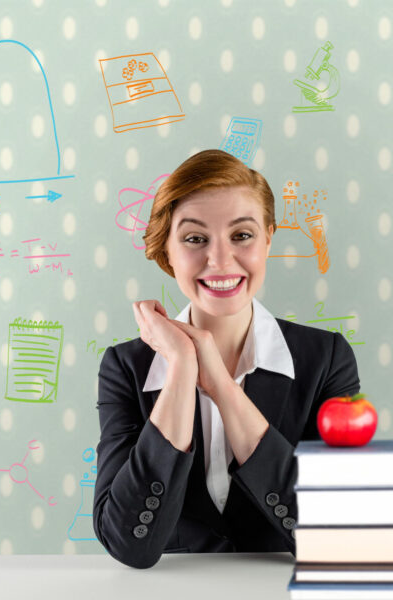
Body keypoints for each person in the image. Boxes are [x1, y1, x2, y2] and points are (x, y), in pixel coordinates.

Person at [93, 149, 361, 569]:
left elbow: (339, 539)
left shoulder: (326, 360)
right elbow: (128, 545)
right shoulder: (125, 368)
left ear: (269, 238)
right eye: (195, 239)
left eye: (241, 235)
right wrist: (182, 366)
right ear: (168, 249)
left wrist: (220, 386)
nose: (219, 260)